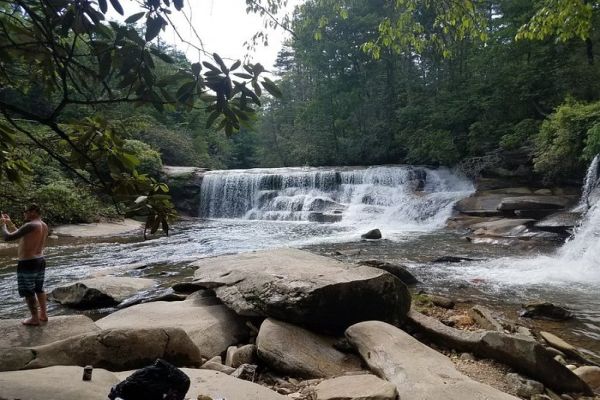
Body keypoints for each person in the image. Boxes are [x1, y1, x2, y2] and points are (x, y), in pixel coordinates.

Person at [1, 204, 49, 326]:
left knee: (28, 292)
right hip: (40, 260)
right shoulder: (42, 224)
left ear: (33, 212)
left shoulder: (30, 225)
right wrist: (10, 224)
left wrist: (2, 225)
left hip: (28, 263)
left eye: (26, 211)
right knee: (39, 288)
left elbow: (7, 237)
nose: (24, 213)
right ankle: (43, 314)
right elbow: (21, 236)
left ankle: (34, 318)